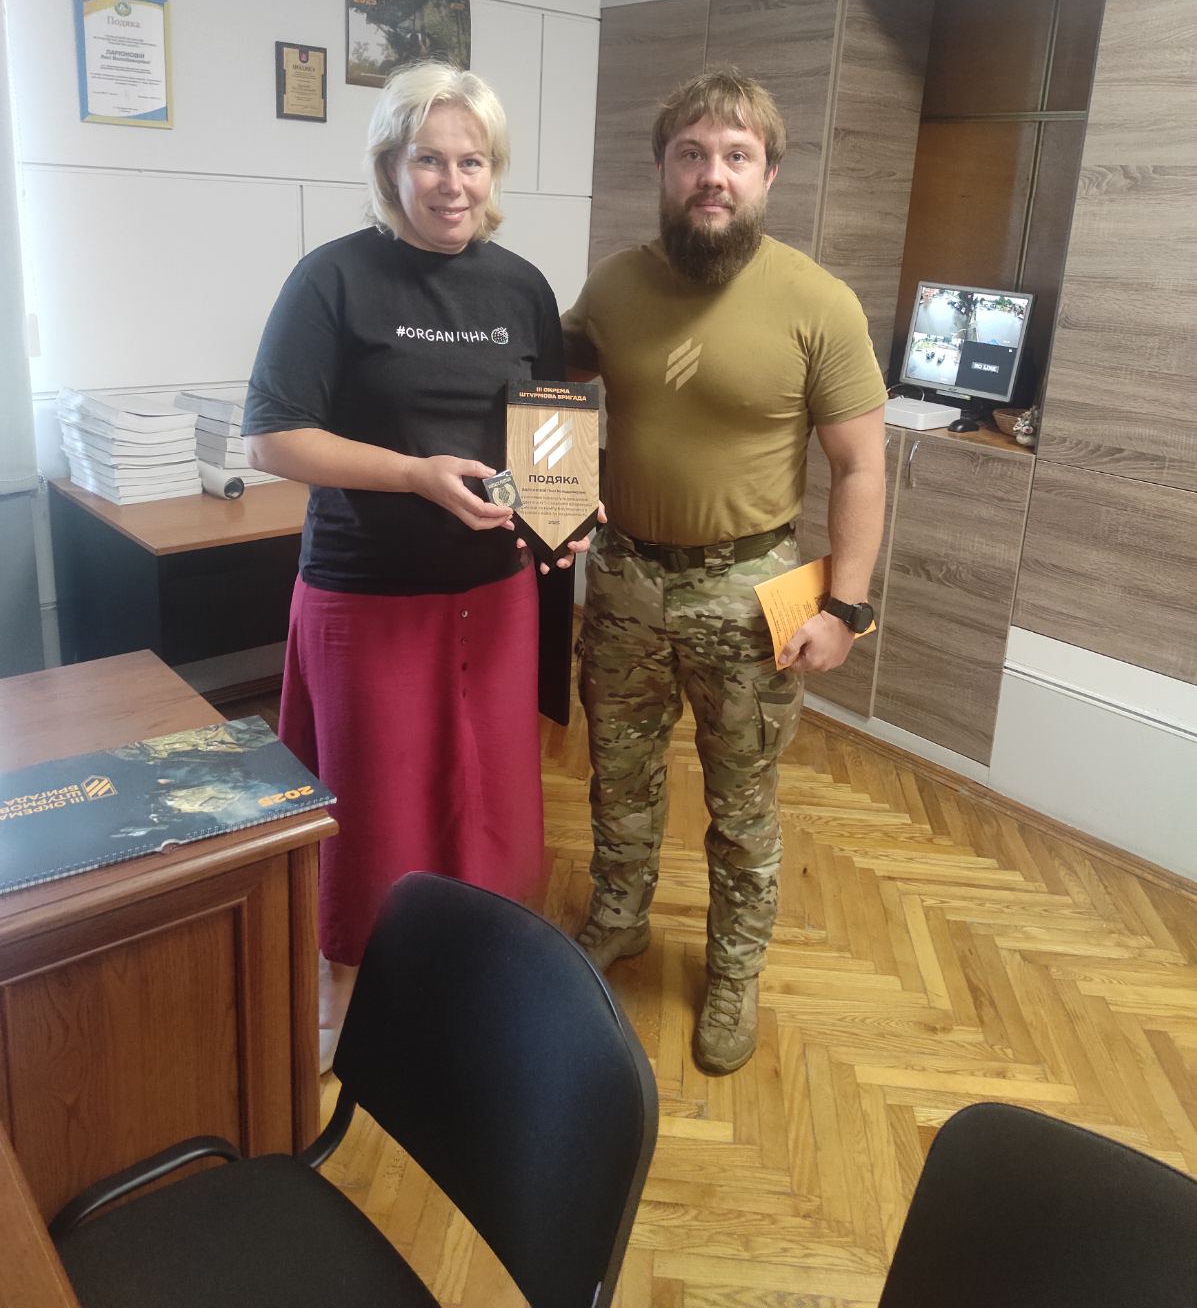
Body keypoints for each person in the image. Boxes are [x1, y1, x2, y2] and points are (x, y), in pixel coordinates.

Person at [243, 61, 583, 1070]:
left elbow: (548, 433)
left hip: (495, 595)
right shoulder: (333, 279)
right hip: (368, 597)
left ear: (494, 170)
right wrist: (411, 475)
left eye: (471, 161)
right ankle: (344, 992)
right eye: (428, 160)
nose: (451, 182)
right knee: (373, 804)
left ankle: (472, 971)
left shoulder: (521, 286)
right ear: (390, 166)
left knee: (483, 794)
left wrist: (567, 510)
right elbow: (273, 438)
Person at [562, 68, 887, 1075]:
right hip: (623, 581)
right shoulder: (611, 289)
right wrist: (550, 512)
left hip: (749, 593)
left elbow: (861, 467)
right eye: (692, 154)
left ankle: (734, 969)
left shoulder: (818, 303)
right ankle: (619, 914)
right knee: (618, 773)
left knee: (742, 800)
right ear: (663, 168)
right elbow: (545, 401)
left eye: (736, 156)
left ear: (768, 173)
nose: (713, 174)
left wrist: (846, 609)